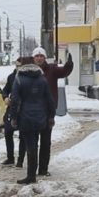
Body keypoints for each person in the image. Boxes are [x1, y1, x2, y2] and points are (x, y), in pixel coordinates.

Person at [8, 58, 56, 185]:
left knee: (31, 147)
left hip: (25, 117)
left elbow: (15, 101)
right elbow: (49, 99)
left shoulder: (18, 79)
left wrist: (13, 117)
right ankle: (41, 170)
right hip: (42, 116)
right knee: (43, 143)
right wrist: (51, 116)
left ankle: (31, 176)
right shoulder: (42, 79)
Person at [31, 46, 73, 177]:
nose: (39, 58)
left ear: (44, 58)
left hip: (48, 111)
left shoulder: (52, 69)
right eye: (37, 56)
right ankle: (31, 170)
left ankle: (43, 169)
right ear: (33, 58)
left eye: (41, 56)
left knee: (45, 141)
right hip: (32, 111)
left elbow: (64, 71)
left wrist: (69, 64)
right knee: (32, 142)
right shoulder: (29, 71)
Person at [1, 57, 26, 167]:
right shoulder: (11, 77)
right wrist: (5, 97)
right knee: (7, 132)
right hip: (11, 109)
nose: (18, 67)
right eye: (16, 65)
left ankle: (20, 160)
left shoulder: (27, 78)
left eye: (20, 65)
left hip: (24, 110)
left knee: (23, 135)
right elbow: (5, 90)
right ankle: (10, 158)